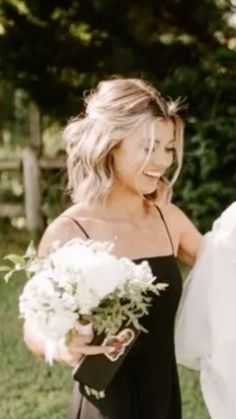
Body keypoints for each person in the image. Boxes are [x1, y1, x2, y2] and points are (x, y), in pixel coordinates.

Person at [23, 77, 202, 419]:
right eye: (149, 146)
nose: (163, 161)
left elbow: (225, 269)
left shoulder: (169, 220)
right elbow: (33, 325)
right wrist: (58, 346)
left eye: (168, 148)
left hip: (163, 404)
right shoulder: (69, 231)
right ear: (111, 145)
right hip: (103, 409)